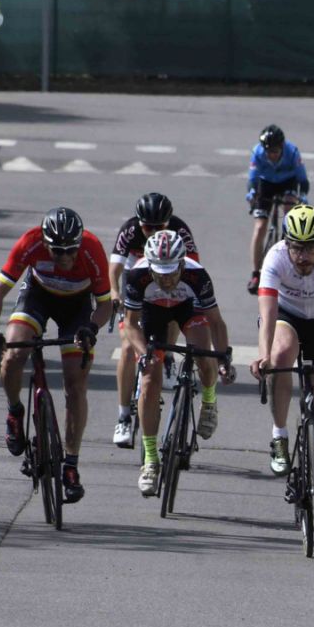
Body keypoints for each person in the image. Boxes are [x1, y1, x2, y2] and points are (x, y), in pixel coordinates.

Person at [0, 207, 112, 505]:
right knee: (14, 354)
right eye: (57, 251)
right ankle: (15, 412)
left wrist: (92, 328)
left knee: (75, 384)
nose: (65, 257)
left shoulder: (92, 249)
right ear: (45, 242)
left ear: (79, 243)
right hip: (37, 297)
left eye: (70, 250)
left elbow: (106, 304)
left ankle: (71, 465)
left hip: (77, 307)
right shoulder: (30, 242)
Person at [248, 204, 314, 539]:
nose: (303, 256)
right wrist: (264, 356)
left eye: (310, 248)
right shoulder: (275, 258)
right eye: (297, 248)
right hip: (288, 316)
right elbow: (267, 315)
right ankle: (279, 435)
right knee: (280, 355)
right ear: (287, 244)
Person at [121, 229, 229, 496]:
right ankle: (150, 460)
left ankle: (209, 401)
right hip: (152, 311)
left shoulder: (197, 275)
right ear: (150, 266)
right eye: (160, 273)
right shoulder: (136, 275)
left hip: (188, 308)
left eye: (171, 272)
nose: (167, 279)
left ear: (182, 264)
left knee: (203, 353)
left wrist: (223, 357)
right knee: (149, 379)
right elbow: (130, 325)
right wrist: (143, 353)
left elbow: (216, 322)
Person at [108, 191, 201, 447]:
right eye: (147, 227)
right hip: (136, 277)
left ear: (168, 223)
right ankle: (123, 416)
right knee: (128, 347)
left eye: (159, 227)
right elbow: (114, 268)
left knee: (172, 312)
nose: (152, 232)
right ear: (139, 223)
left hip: (167, 274)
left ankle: (167, 356)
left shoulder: (180, 230)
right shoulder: (130, 230)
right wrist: (114, 293)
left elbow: (193, 267)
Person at [244, 124, 309, 290]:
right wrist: (252, 193)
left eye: (275, 151)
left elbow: (302, 179)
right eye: (268, 151)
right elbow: (252, 179)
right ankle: (256, 274)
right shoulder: (257, 152)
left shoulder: (292, 152)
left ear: (282, 147)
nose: (272, 155)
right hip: (266, 183)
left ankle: (288, 256)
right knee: (260, 227)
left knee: (290, 216)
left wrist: (303, 195)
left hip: (288, 182)